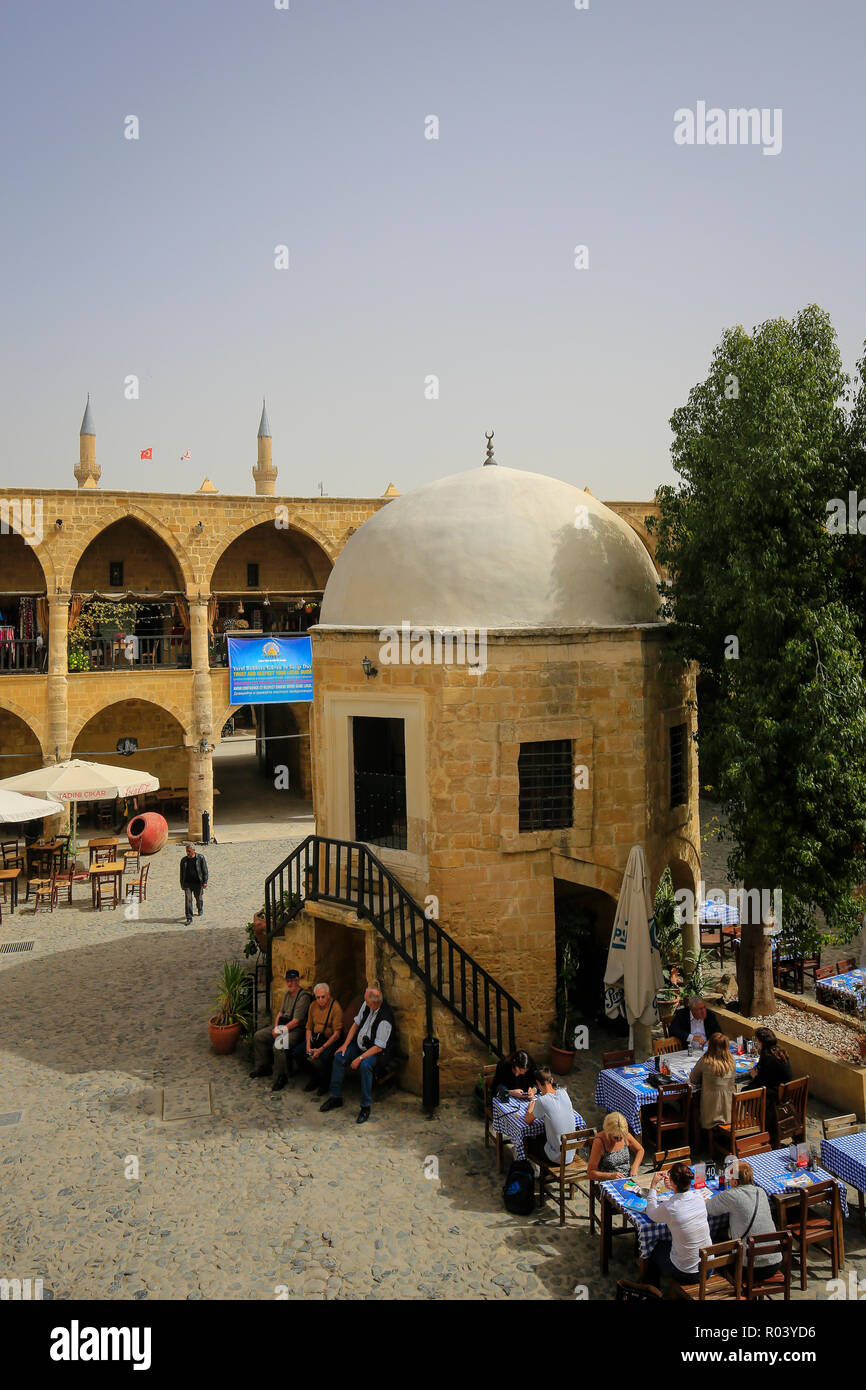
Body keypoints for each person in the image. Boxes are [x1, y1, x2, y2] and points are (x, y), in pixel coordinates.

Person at [321, 985, 397, 1124]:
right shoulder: (367, 1005)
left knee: (365, 1066)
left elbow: (379, 1047)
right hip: (361, 1045)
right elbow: (356, 1025)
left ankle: (365, 1106)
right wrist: (345, 1045)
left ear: (374, 1003)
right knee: (339, 1056)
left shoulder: (385, 1019)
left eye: (366, 1002)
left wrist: (360, 1058)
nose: (364, 1004)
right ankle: (335, 1097)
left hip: (377, 1052)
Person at [706, 1160, 782, 1282]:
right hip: (775, 1262)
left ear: (735, 1182)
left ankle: (730, 1286)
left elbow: (710, 1208)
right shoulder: (761, 1192)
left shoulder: (731, 1195)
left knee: (716, 1245)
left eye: (729, 1179)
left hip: (750, 1268)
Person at [645, 1161, 712, 1287]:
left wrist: (653, 1185)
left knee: (654, 1249)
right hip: (708, 1267)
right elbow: (683, 1195)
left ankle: (652, 1290)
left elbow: (651, 1213)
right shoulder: (699, 1198)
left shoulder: (670, 1207)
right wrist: (674, 1188)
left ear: (674, 1183)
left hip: (687, 1273)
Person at [250, 969, 312, 1090]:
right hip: (283, 1025)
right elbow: (280, 1012)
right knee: (259, 1036)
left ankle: (281, 1076)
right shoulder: (287, 994)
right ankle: (264, 1066)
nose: (290, 984)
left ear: (297, 981)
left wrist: (280, 1030)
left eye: (292, 981)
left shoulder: (303, 997)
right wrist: (276, 1027)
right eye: (288, 981)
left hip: (295, 1030)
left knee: (279, 1045)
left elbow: (296, 1021)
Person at [744, 1027, 792, 1136]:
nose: (756, 1043)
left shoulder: (768, 1056)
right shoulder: (779, 1051)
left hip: (773, 1097)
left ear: (761, 1042)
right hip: (784, 1093)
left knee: (745, 1092)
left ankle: (755, 1127)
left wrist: (754, 1076)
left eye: (757, 1041)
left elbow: (763, 1082)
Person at [297, 982, 344, 1095]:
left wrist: (321, 1049)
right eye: (318, 997)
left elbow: (336, 1034)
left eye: (323, 997)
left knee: (326, 1057)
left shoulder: (336, 1007)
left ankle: (325, 1084)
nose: (320, 1000)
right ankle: (314, 1077)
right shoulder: (313, 1006)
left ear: (328, 995)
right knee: (297, 1053)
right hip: (316, 1038)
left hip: (330, 1040)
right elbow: (308, 1027)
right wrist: (308, 1045)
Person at [523, 1067, 576, 1165]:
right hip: (571, 1154)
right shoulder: (564, 1093)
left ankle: (529, 1167)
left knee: (529, 1140)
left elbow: (528, 1120)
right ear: (552, 1080)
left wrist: (531, 1106)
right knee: (544, 1135)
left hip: (557, 1158)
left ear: (538, 1084)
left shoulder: (542, 1101)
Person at [689, 1031, 737, 1131]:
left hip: (712, 1114)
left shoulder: (706, 1061)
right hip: (731, 1112)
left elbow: (693, 1078)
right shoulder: (731, 1062)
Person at [585, 1112, 644, 1180]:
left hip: (628, 1177)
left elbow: (640, 1150)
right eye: (615, 1138)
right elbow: (590, 1173)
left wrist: (635, 1167)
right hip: (609, 1181)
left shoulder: (625, 1135)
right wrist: (610, 1176)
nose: (619, 1140)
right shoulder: (600, 1142)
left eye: (621, 1138)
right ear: (608, 1132)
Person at [179, 842, 208, 925]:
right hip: (188, 883)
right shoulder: (184, 860)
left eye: (189, 851)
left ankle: (200, 908)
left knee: (199, 898)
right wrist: (182, 883)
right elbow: (181, 873)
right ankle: (189, 917)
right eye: (186, 851)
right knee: (188, 900)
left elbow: (205, 870)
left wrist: (205, 882)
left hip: (198, 883)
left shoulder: (200, 858)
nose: (187, 853)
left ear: (193, 850)